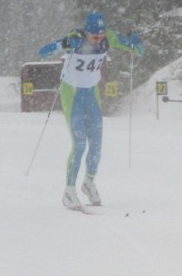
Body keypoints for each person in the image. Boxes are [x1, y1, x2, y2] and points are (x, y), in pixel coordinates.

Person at [38, 11, 143, 210]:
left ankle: (89, 182)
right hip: (72, 95)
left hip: (91, 95)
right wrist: (62, 45)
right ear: (87, 31)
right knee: (79, 143)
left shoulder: (107, 38)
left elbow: (131, 48)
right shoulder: (75, 39)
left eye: (101, 35)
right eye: (94, 36)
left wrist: (135, 44)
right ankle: (69, 191)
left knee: (96, 143)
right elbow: (43, 51)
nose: (98, 39)